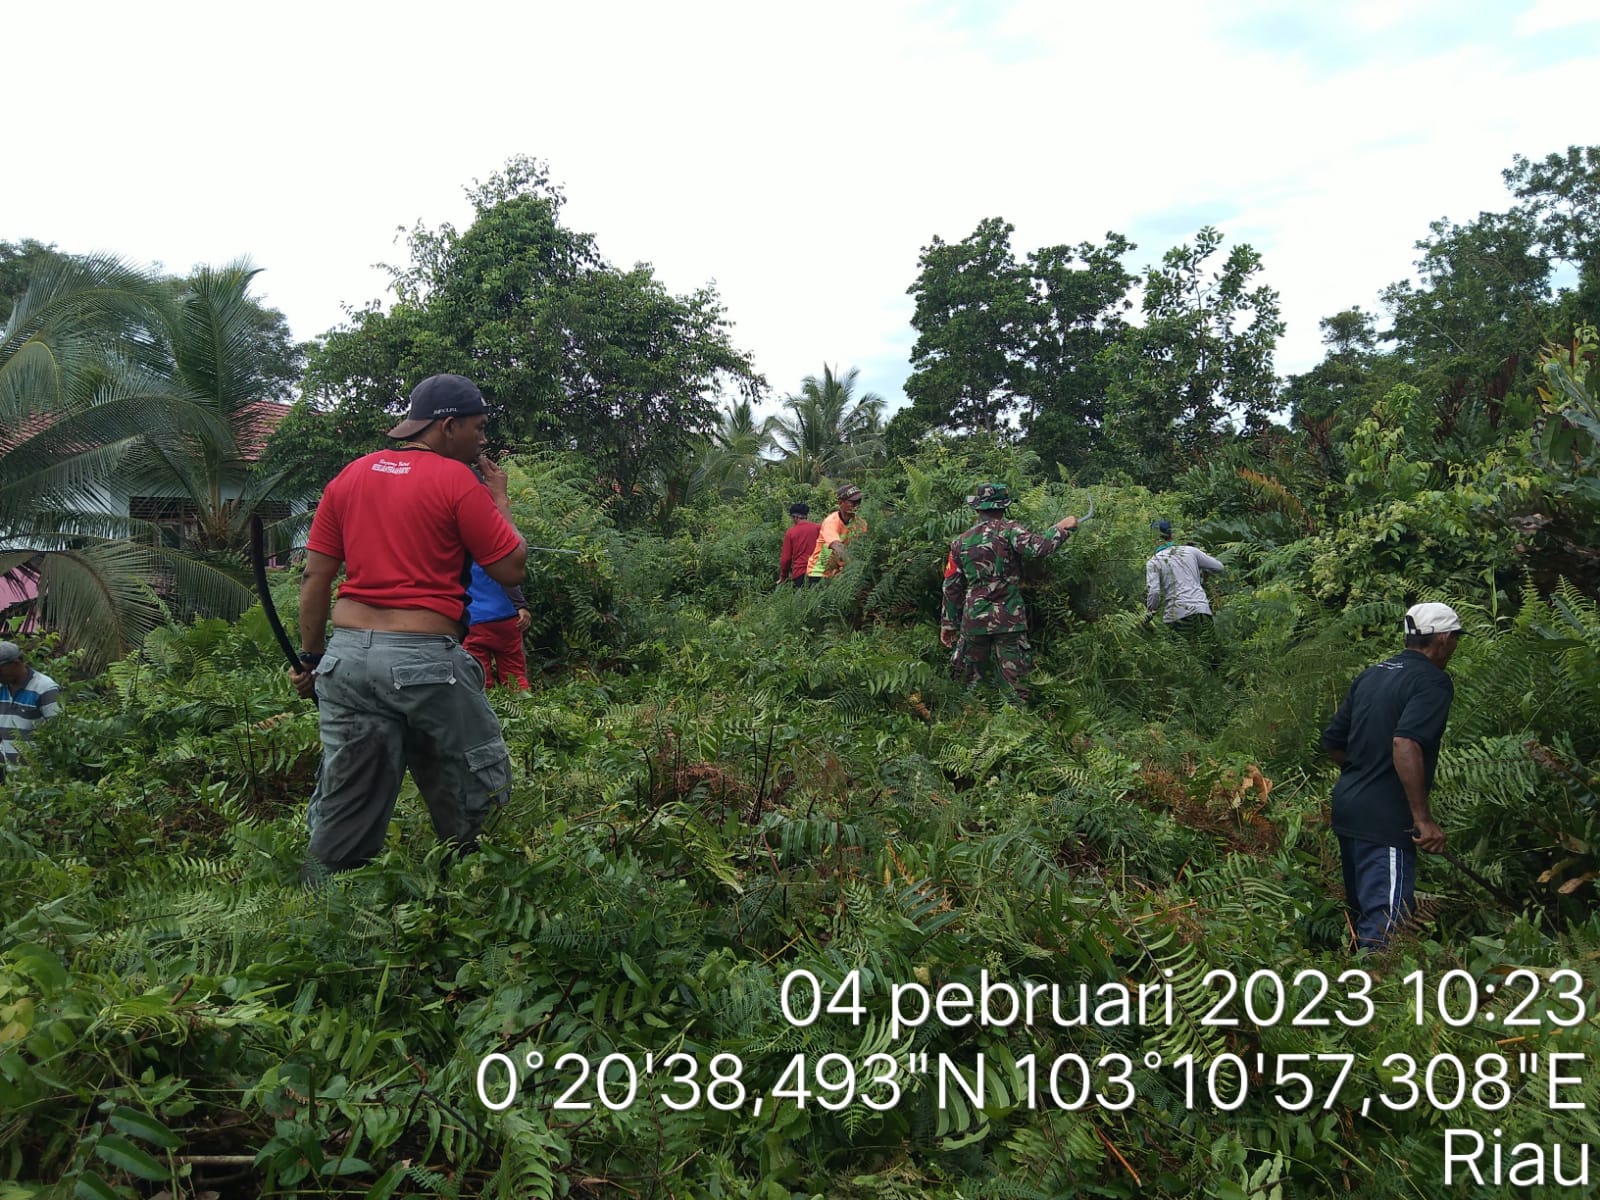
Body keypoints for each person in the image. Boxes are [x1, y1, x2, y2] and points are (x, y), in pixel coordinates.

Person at [290, 373, 528, 877]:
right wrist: (500, 500)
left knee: (348, 796)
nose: (483, 439)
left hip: (346, 659)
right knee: (478, 789)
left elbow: (315, 578)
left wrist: (312, 659)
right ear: (447, 427)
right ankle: (478, 889)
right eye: (478, 428)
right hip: (424, 659)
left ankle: (327, 909)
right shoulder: (456, 480)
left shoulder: (348, 477)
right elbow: (510, 568)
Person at [1321, 602, 1463, 950]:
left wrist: (1366, 771)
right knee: (1387, 930)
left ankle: (1351, 990)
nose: (1455, 646)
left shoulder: (1373, 674)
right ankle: (1373, 998)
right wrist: (1423, 819)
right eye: (1456, 638)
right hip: (1385, 822)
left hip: (1349, 809)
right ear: (1443, 639)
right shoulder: (1432, 681)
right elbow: (1405, 742)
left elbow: (1333, 742)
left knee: (1362, 920)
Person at [940, 483, 1078, 705]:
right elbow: (1039, 548)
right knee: (1014, 686)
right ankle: (1015, 729)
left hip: (974, 620)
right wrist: (1063, 528)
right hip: (1009, 620)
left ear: (977, 509)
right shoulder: (1010, 531)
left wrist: (948, 625)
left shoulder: (960, 542)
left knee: (967, 684)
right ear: (1004, 507)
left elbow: (951, 586)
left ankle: (964, 725)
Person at [1145, 519, 1224, 634]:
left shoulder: (1154, 562)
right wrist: (1203, 572)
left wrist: (1150, 612)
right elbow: (1219, 567)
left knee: (1183, 650)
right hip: (1201, 610)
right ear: (1172, 535)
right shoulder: (1191, 552)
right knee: (1207, 649)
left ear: (1154, 539)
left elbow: (1154, 591)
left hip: (1176, 615)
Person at [0, 640, 62, 782]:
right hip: (9, 777)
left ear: (16, 663)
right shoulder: (1, 687)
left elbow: (59, 733)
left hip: (38, 777)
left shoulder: (45, 689)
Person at [465, 562, 532, 690]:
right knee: (514, 673)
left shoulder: (456, 555)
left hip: (473, 620)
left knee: (478, 675)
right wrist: (521, 605)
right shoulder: (494, 552)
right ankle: (522, 706)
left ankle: (483, 707)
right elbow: (509, 579)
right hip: (505, 615)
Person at [805, 484, 867, 582]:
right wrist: (853, 567)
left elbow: (862, 547)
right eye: (853, 502)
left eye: (859, 502)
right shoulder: (831, 522)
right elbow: (838, 547)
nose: (857, 506)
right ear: (840, 502)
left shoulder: (860, 524)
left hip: (837, 574)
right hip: (818, 572)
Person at [778, 502, 822, 587]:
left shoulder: (791, 532)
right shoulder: (818, 528)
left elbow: (786, 559)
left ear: (795, 517)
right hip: (818, 572)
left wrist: (784, 576)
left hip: (800, 574)